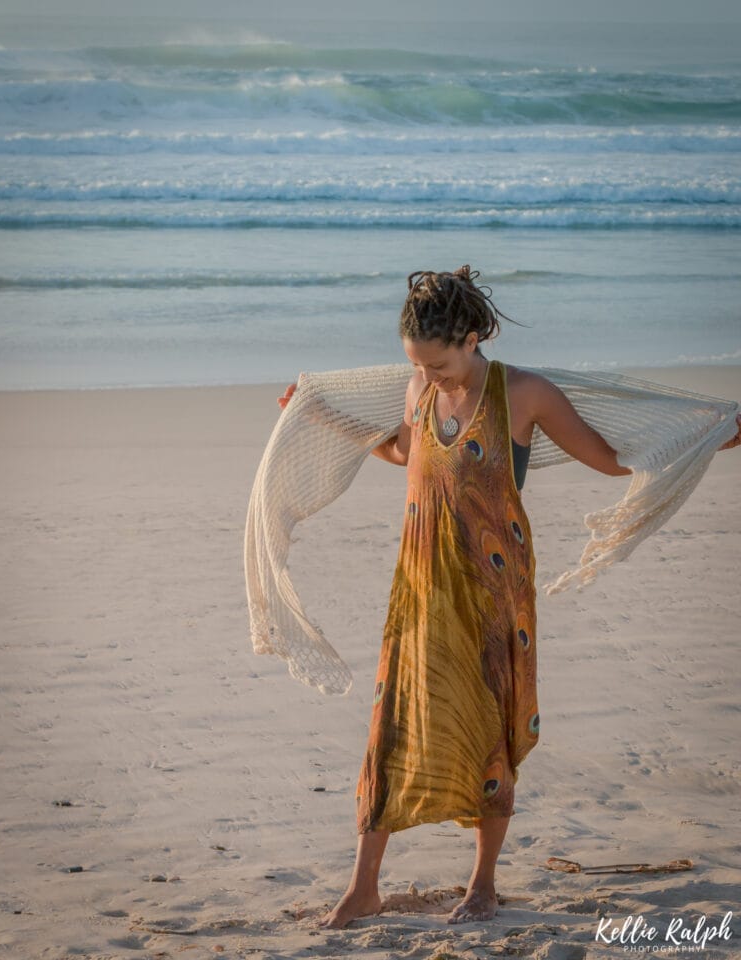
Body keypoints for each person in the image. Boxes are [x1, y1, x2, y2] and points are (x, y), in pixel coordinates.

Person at [275, 266, 741, 930]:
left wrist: (710, 437)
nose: (429, 378)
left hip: (493, 591)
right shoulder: (419, 387)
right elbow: (407, 453)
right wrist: (322, 413)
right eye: (419, 368)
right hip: (419, 586)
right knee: (391, 727)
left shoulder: (523, 394)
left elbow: (612, 460)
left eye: (438, 365)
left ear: (470, 339)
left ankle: (483, 884)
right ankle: (364, 887)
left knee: (487, 730)